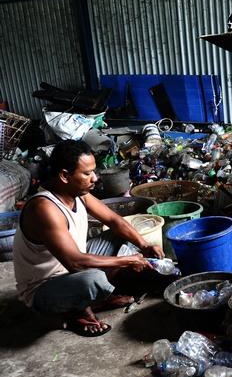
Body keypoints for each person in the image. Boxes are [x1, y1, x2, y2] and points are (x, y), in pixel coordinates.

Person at [13, 140, 164, 336]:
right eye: (86, 173)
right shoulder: (44, 208)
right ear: (65, 176)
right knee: (94, 279)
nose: (94, 178)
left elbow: (114, 220)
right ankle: (75, 311)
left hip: (74, 267)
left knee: (123, 236)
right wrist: (127, 261)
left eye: (93, 171)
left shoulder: (77, 193)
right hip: (44, 289)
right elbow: (76, 263)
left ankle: (94, 298)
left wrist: (144, 246)